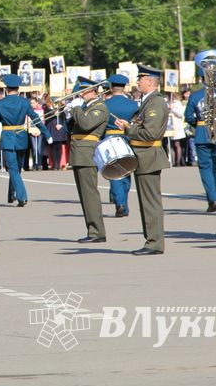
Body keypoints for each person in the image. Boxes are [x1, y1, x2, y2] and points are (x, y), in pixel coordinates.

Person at [115, 65, 170, 255]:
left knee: (150, 203)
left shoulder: (155, 103)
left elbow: (150, 133)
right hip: (144, 156)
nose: (137, 82)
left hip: (149, 156)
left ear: (149, 82)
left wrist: (128, 129)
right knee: (146, 202)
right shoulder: (148, 101)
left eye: (140, 79)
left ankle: (154, 243)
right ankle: (151, 240)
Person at [0, 73, 51, 207]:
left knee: (13, 168)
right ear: (18, 89)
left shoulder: (0, 103)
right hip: (21, 136)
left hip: (7, 136)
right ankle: (14, 194)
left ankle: (21, 196)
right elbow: (35, 118)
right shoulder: (24, 102)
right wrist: (46, 133)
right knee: (16, 168)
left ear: (6, 89)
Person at [68, 77, 109, 242]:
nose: (81, 93)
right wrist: (70, 112)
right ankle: (92, 230)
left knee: (89, 195)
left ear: (94, 91)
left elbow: (86, 125)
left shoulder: (99, 108)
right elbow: (72, 127)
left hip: (87, 154)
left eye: (84, 90)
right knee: (84, 195)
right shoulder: (85, 107)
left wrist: (76, 109)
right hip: (79, 153)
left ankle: (97, 232)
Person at [184, 53, 216, 213]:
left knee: (206, 168)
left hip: (202, 133)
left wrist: (199, 125)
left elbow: (188, 116)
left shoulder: (195, 95)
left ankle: (212, 198)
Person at [104, 74, 139, 217]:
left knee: (114, 171)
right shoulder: (133, 104)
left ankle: (120, 203)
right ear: (124, 87)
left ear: (111, 87)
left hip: (109, 138)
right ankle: (123, 201)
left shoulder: (104, 104)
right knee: (126, 170)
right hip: (127, 138)